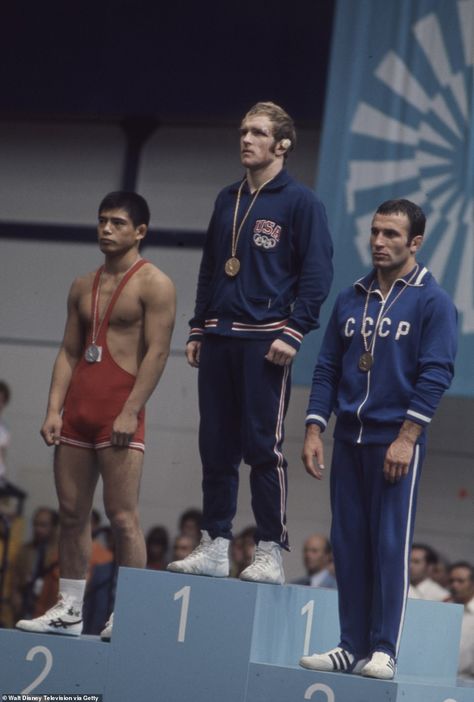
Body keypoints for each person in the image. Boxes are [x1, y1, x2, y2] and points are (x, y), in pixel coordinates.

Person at [167, 101, 333, 585]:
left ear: (282, 145)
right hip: (219, 335)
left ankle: (269, 549)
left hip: (266, 341)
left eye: (258, 133)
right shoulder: (226, 198)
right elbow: (210, 266)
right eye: (243, 131)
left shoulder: (301, 202)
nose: (246, 139)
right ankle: (215, 542)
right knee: (215, 446)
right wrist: (199, 324)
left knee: (264, 447)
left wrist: (295, 329)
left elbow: (317, 274)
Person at [299, 199, 457, 680]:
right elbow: (326, 367)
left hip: (395, 441)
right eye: (375, 232)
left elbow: (436, 373)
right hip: (349, 438)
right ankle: (351, 644)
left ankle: (384, 649)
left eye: (391, 234)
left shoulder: (432, 301)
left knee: (390, 545)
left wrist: (407, 437)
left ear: (415, 242)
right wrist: (313, 426)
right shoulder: (351, 298)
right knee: (348, 544)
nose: (379, 242)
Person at [16, 191, 176, 640]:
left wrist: (131, 410)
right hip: (78, 412)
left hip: (119, 412)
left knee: (123, 516)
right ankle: (69, 608)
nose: (106, 229)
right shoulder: (81, 284)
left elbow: (159, 353)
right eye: (102, 220)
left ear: (140, 231)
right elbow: (69, 350)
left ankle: (131, 611)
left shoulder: (155, 284)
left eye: (118, 223)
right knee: (71, 513)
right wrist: (53, 409)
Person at [10, 507, 59, 620]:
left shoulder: (61, 553)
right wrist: (15, 599)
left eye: (43, 525)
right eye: (35, 524)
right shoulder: (25, 550)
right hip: (26, 605)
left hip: (50, 609)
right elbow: (15, 579)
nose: (38, 529)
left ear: (54, 527)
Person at [447, 562, 474, 680]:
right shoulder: (442, 608)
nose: (454, 585)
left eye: (460, 581)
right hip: (442, 677)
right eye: (452, 581)